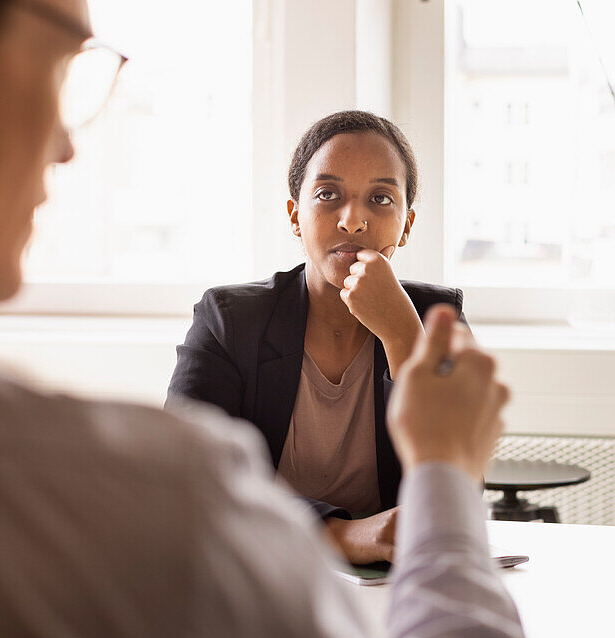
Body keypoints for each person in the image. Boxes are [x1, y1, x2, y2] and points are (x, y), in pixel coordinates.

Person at [0, 0, 523, 636]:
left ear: (407, 221)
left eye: (379, 200)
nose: (67, 145)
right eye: (64, 59)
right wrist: (443, 467)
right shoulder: (162, 499)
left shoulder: (428, 317)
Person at [167, 110, 464, 565]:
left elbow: (457, 493)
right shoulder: (229, 321)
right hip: (254, 568)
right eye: (328, 194)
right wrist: (345, 536)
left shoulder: (437, 321)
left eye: (381, 199)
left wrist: (404, 339)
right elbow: (186, 481)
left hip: (390, 588)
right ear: (295, 216)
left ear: (406, 225)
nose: (352, 221)